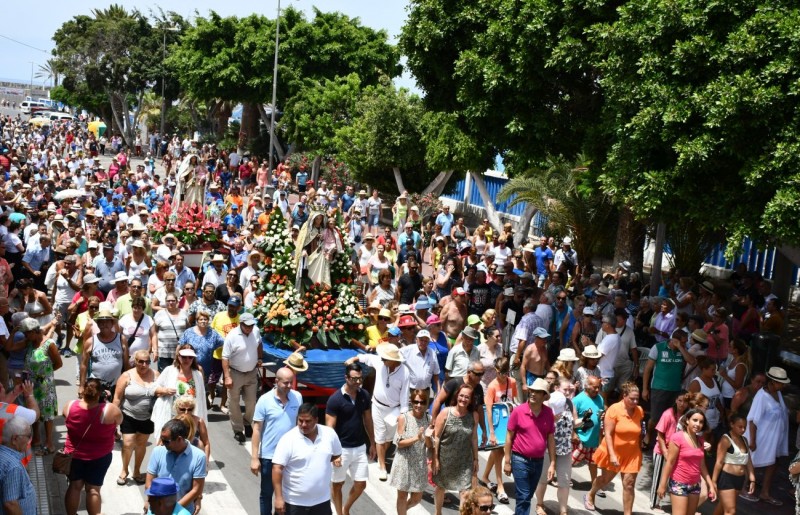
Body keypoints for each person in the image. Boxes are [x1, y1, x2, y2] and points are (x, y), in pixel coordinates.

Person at [345, 344, 410, 480]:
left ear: (393, 360)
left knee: (389, 439)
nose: (382, 360)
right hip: (377, 406)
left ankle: (376, 453)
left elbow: (405, 395)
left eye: (385, 358)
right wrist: (353, 359)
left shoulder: (404, 373)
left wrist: (403, 414)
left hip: (394, 409)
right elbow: (366, 357)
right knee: (380, 436)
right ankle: (382, 466)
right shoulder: (380, 363)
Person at [63, 378, 124, 515]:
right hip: (100, 457)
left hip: (74, 455)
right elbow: (119, 421)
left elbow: (65, 417)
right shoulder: (110, 410)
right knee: (93, 490)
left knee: (74, 486)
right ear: (100, 393)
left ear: (83, 391)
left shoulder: (70, 405)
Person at [584, 382, 644, 515]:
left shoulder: (639, 411)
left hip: (631, 454)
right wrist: (612, 455)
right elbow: (608, 434)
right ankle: (590, 494)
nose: (635, 402)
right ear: (624, 396)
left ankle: (628, 513)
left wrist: (641, 447)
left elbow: (639, 432)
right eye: (632, 399)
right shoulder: (614, 409)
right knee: (605, 480)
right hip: (613, 451)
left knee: (629, 485)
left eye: (637, 399)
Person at [272, 403, 343, 515]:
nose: (303, 424)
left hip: (322, 502)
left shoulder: (330, 434)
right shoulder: (288, 439)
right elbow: (277, 468)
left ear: (316, 420)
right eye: (300, 421)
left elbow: (335, 455)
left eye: (308, 421)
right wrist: (279, 498)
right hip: (293, 503)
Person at [250, 367, 303, 515]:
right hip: (269, 457)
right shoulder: (264, 400)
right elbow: (257, 429)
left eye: (290, 383)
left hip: (291, 456)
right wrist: (254, 458)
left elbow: (301, 423)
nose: (289, 386)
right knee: (267, 493)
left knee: (287, 493)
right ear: (276, 381)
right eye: (285, 383)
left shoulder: (297, 397)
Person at [326, 363, 375, 515]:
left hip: (360, 447)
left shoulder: (364, 395)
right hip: (341, 449)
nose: (358, 382)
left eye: (360, 378)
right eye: (354, 379)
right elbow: (329, 429)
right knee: (337, 484)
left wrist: (372, 443)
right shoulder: (335, 400)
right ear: (346, 378)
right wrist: (334, 453)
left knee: (361, 484)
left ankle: (346, 508)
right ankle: (340, 513)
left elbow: (368, 420)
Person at [503, 377, 556, 515]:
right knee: (524, 496)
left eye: (537, 392)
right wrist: (507, 461)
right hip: (520, 460)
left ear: (544, 396)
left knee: (527, 496)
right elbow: (508, 437)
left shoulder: (548, 413)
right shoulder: (518, 411)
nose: (532, 393)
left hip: (538, 462)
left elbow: (550, 439)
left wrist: (552, 463)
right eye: (531, 391)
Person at [742, 366, 790, 504]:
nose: (783, 385)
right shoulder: (762, 396)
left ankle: (765, 493)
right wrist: (752, 440)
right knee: (752, 462)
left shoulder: (778, 394)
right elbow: (752, 420)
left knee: (773, 464)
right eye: (781, 382)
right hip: (761, 436)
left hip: (774, 438)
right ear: (772, 382)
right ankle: (742, 488)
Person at [657, 409, 717, 515]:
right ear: (687, 420)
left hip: (695, 485)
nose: (698, 424)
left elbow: (702, 465)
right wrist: (662, 485)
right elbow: (670, 462)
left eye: (701, 422)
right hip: (679, 483)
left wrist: (710, 485)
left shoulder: (701, 440)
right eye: (695, 420)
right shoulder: (677, 437)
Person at [113, 349, 159, 486]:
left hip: (148, 417)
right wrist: (113, 421)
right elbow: (117, 398)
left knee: (141, 444)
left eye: (147, 362)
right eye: (140, 362)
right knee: (127, 443)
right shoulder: (126, 376)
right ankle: (124, 470)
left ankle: (137, 471)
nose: (144, 365)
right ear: (135, 362)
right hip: (129, 415)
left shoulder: (156, 375)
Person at [432, 383, 479, 514]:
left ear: (471, 400)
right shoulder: (446, 412)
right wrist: (435, 458)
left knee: (465, 492)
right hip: (445, 458)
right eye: (461, 396)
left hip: (465, 460)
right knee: (441, 487)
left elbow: (474, 438)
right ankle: (438, 512)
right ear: (457, 396)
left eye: (467, 397)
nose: (463, 399)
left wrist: (476, 459)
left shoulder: (474, 415)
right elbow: (436, 437)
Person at [145, 419, 207, 515]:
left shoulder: (199, 457)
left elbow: (196, 489)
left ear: (179, 439)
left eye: (166, 441)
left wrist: (172, 510)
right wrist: (151, 502)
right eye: (162, 439)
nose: (162, 443)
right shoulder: (157, 451)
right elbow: (149, 483)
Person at [152, 345, 208, 443]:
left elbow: (201, 397)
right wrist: (165, 391)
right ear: (178, 357)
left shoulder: (198, 374)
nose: (187, 360)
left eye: (190, 357)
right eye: (184, 357)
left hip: (190, 416)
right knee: (167, 442)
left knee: (188, 443)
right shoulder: (169, 370)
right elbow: (154, 389)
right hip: (171, 415)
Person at [390, 389, 433, 515]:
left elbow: (430, 446)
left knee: (417, 498)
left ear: (426, 403)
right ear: (411, 402)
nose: (419, 405)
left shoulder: (428, 419)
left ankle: (402, 511)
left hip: (419, 463)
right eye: (416, 402)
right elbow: (399, 443)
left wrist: (428, 437)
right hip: (404, 463)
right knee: (402, 496)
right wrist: (416, 438)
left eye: (422, 402)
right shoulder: (404, 418)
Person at [479, 356, 516, 504]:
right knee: (499, 453)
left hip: (508, 422)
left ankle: (485, 477)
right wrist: (491, 433)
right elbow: (488, 410)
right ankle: (500, 487)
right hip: (495, 424)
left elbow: (514, 402)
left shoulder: (511, 382)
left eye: (506, 372)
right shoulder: (492, 386)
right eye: (501, 372)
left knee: (497, 453)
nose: (503, 375)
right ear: (496, 371)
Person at [221, 312, 262, 443]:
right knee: (233, 402)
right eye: (247, 325)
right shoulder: (232, 336)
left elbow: (259, 343)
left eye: (251, 325)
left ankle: (247, 421)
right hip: (235, 373)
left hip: (251, 373)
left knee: (251, 402)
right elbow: (225, 357)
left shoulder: (255, 331)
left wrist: (260, 357)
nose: (250, 328)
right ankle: (238, 429)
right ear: (241, 324)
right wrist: (227, 377)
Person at [534, 391, 574, 515]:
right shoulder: (543, 409)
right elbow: (537, 429)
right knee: (543, 479)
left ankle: (563, 511)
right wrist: (551, 420)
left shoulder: (569, 404)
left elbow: (574, 422)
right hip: (546, 450)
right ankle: (539, 504)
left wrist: (583, 423)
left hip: (565, 450)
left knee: (564, 481)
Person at [79, 308, 128, 399]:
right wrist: (81, 386)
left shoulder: (121, 339)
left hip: (117, 384)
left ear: (112, 323)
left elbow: (126, 363)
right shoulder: (91, 341)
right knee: (95, 410)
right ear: (97, 324)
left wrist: (128, 381)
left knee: (114, 410)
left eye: (107, 322)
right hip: (95, 385)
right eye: (101, 322)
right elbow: (84, 365)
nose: (104, 324)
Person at [712, 414, 756, 515]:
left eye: (744, 427)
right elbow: (719, 462)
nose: (743, 429)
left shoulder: (744, 440)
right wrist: (713, 482)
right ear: (732, 424)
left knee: (723, 506)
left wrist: (752, 478)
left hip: (740, 479)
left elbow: (748, 460)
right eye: (740, 426)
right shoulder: (726, 439)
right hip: (727, 478)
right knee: (731, 511)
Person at [572, 375, 604, 492]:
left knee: (593, 464)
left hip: (593, 439)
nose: (597, 390)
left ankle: (595, 486)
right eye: (594, 387)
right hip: (580, 438)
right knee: (570, 461)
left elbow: (600, 414)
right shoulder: (577, 400)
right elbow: (570, 418)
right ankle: (559, 477)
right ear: (587, 386)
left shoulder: (600, 398)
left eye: (598, 387)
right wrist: (573, 434)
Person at [0, 416, 36, 514]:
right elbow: (10, 504)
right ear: (15, 439)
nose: (30, 440)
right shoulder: (13, 467)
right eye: (28, 436)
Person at [153, 293, 189, 372]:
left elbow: (188, 331)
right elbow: (154, 333)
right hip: (164, 352)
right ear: (165, 302)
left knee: (180, 375)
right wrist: (155, 350)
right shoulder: (159, 314)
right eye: (168, 301)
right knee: (164, 376)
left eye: (173, 301)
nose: (170, 303)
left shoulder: (184, 313)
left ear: (177, 302)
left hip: (181, 352)